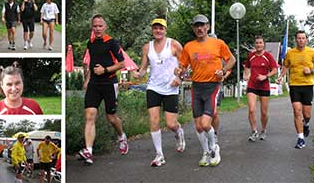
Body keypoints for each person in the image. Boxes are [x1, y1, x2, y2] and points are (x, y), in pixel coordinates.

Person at [175, 14, 236, 167]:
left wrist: (223, 70)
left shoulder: (218, 43)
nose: (200, 28)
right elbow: (182, 66)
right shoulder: (189, 46)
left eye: (202, 25)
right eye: (197, 26)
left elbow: (232, 60)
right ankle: (206, 152)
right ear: (193, 28)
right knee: (197, 126)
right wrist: (179, 71)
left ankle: (214, 147)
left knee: (206, 123)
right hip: (196, 87)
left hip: (211, 86)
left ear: (207, 26)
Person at [133, 18, 185, 167]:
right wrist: (139, 74)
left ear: (165, 30)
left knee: (170, 123)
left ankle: (179, 131)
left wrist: (179, 78)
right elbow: (143, 68)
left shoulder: (174, 45)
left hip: (170, 88)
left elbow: (184, 64)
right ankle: (159, 154)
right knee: (154, 120)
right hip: (153, 87)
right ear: (152, 30)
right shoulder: (146, 47)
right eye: (155, 28)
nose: (158, 30)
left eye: (161, 28)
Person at [79, 14, 128, 164]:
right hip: (94, 84)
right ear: (92, 27)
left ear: (105, 27)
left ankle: (122, 136)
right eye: (95, 26)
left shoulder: (112, 43)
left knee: (111, 117)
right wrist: (87, 80)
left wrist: (105, 70)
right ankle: (89, 151)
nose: (98, 28)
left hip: (109, 83)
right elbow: (92, 64)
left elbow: (122, 64)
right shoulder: (91, 43)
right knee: (90, 115)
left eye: (100, 26)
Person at [276, 31, 314, 148]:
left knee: (306, 114)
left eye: (303, 38)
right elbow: (286, 66)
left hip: (308, 85)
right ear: (296, 40)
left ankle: (306, 124)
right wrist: (280, 76)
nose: (301, 40)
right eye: (299, 38)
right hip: (295, 85)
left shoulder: (311, 52)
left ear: (306, 40)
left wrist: (311, 71)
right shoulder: (290, 53)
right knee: (297, 111)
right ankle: (300, 138)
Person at [243, 36, 278, 142]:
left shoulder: (268, 56)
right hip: (252, 85)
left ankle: (263, 130)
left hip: (264, 86)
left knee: (264, 112)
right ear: (255, 45)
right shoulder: (251, 56)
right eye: (257, 43)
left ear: (264, 45)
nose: (258, 44)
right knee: (252, 110)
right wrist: (246, 75)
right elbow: (246, 66)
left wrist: (265, 76)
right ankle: (254, 131)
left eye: (260, 43)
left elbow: (275, 70)